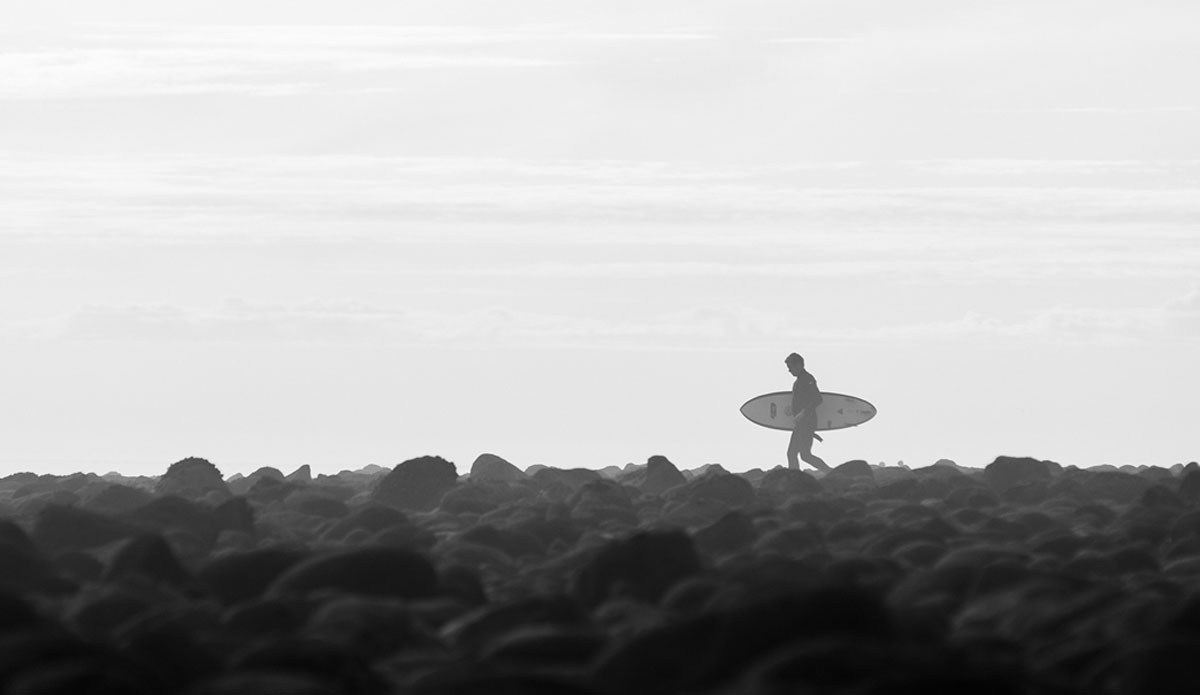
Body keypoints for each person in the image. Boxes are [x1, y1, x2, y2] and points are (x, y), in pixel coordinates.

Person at [785, 352, 830, 472]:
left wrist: (803, 413)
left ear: (798, 365)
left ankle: (830, 472)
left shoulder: (807, 379)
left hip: (807, 422)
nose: (789, 371)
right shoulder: (800, 380)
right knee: (795, 454)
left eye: (790, 367)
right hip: (801, 424)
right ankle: (795, 478)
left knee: (801, 454)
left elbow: (817, 399)